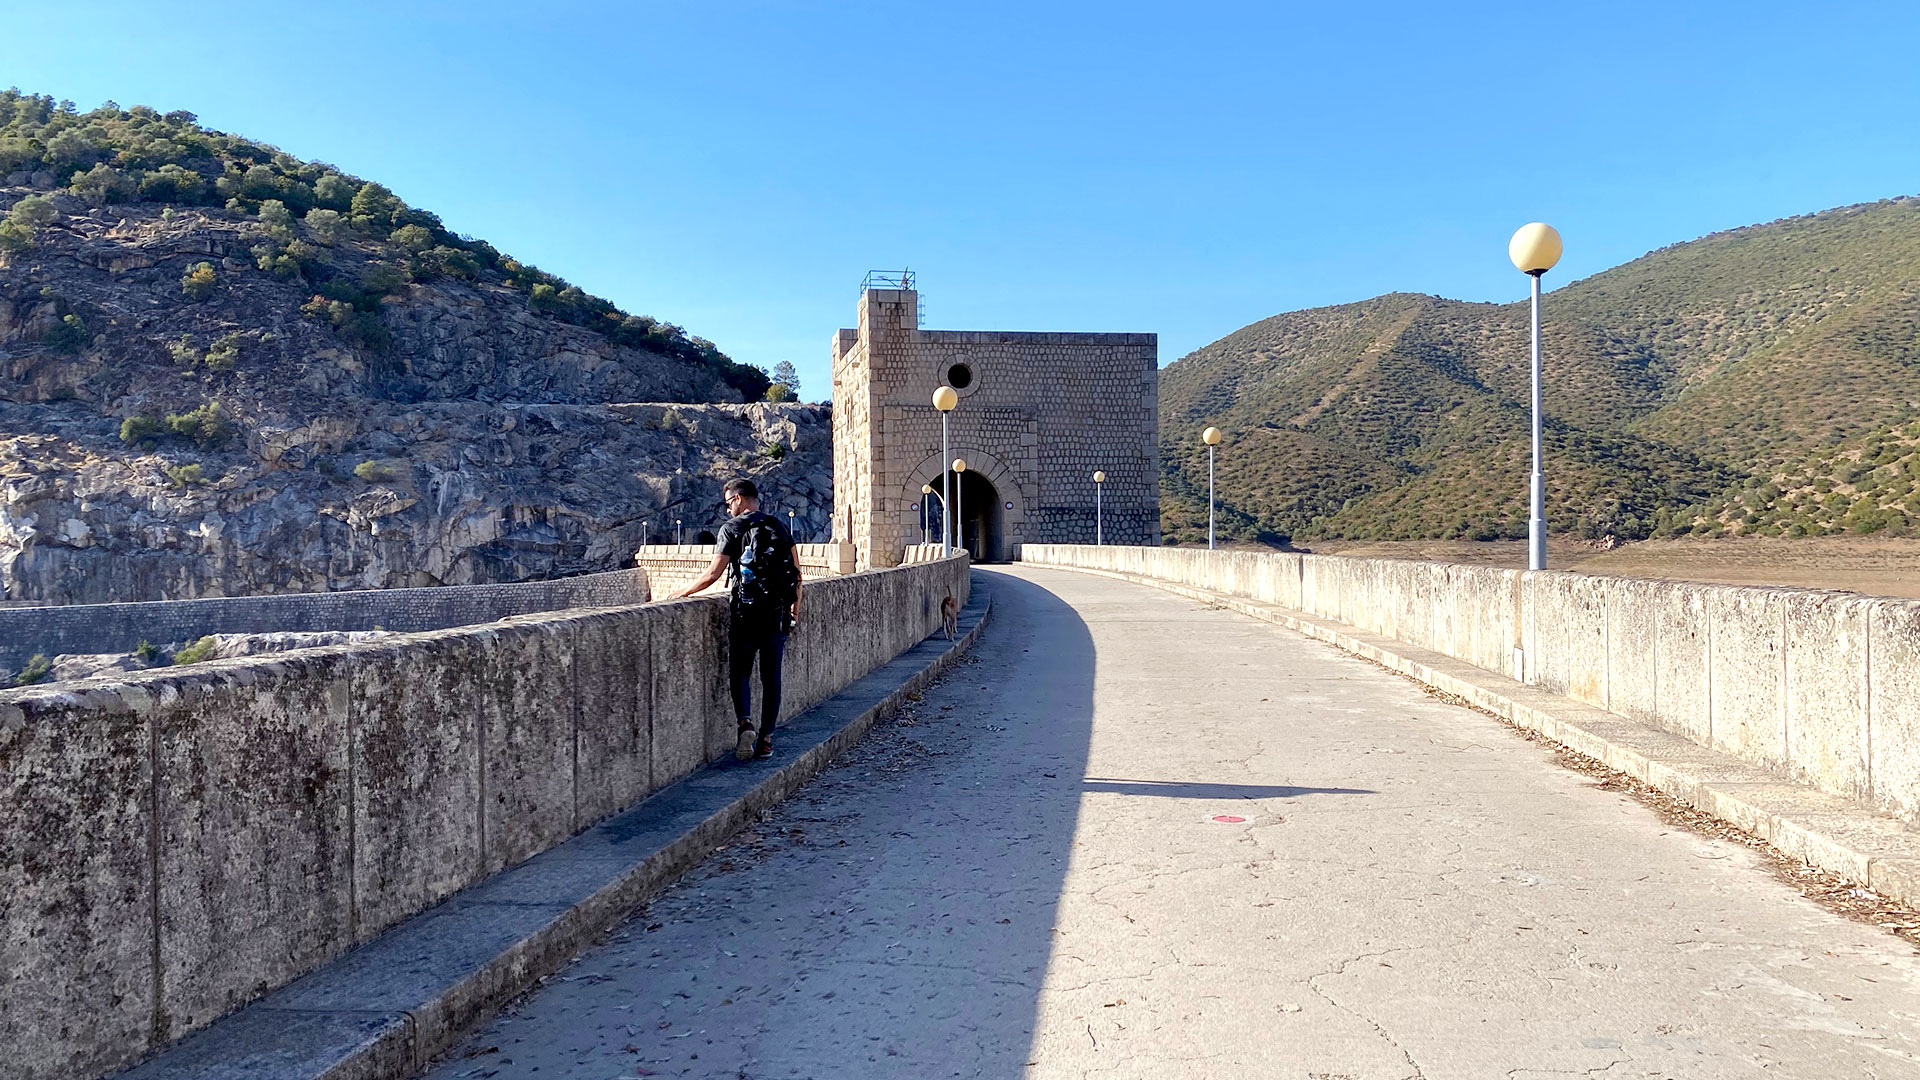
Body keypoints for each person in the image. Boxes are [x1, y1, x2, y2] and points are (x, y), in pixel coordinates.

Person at [669, 479, 803, 761]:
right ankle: (766, 741)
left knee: (740, 671)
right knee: (771, 679)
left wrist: (681, 592)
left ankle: (745, 722)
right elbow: (796, 573)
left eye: (728, 502)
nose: (728, 508)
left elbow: (713, 574)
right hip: (776, 614)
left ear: (740, 499)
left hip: (745, 613)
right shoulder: (779, 526)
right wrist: (794, 611)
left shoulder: (731, 528)